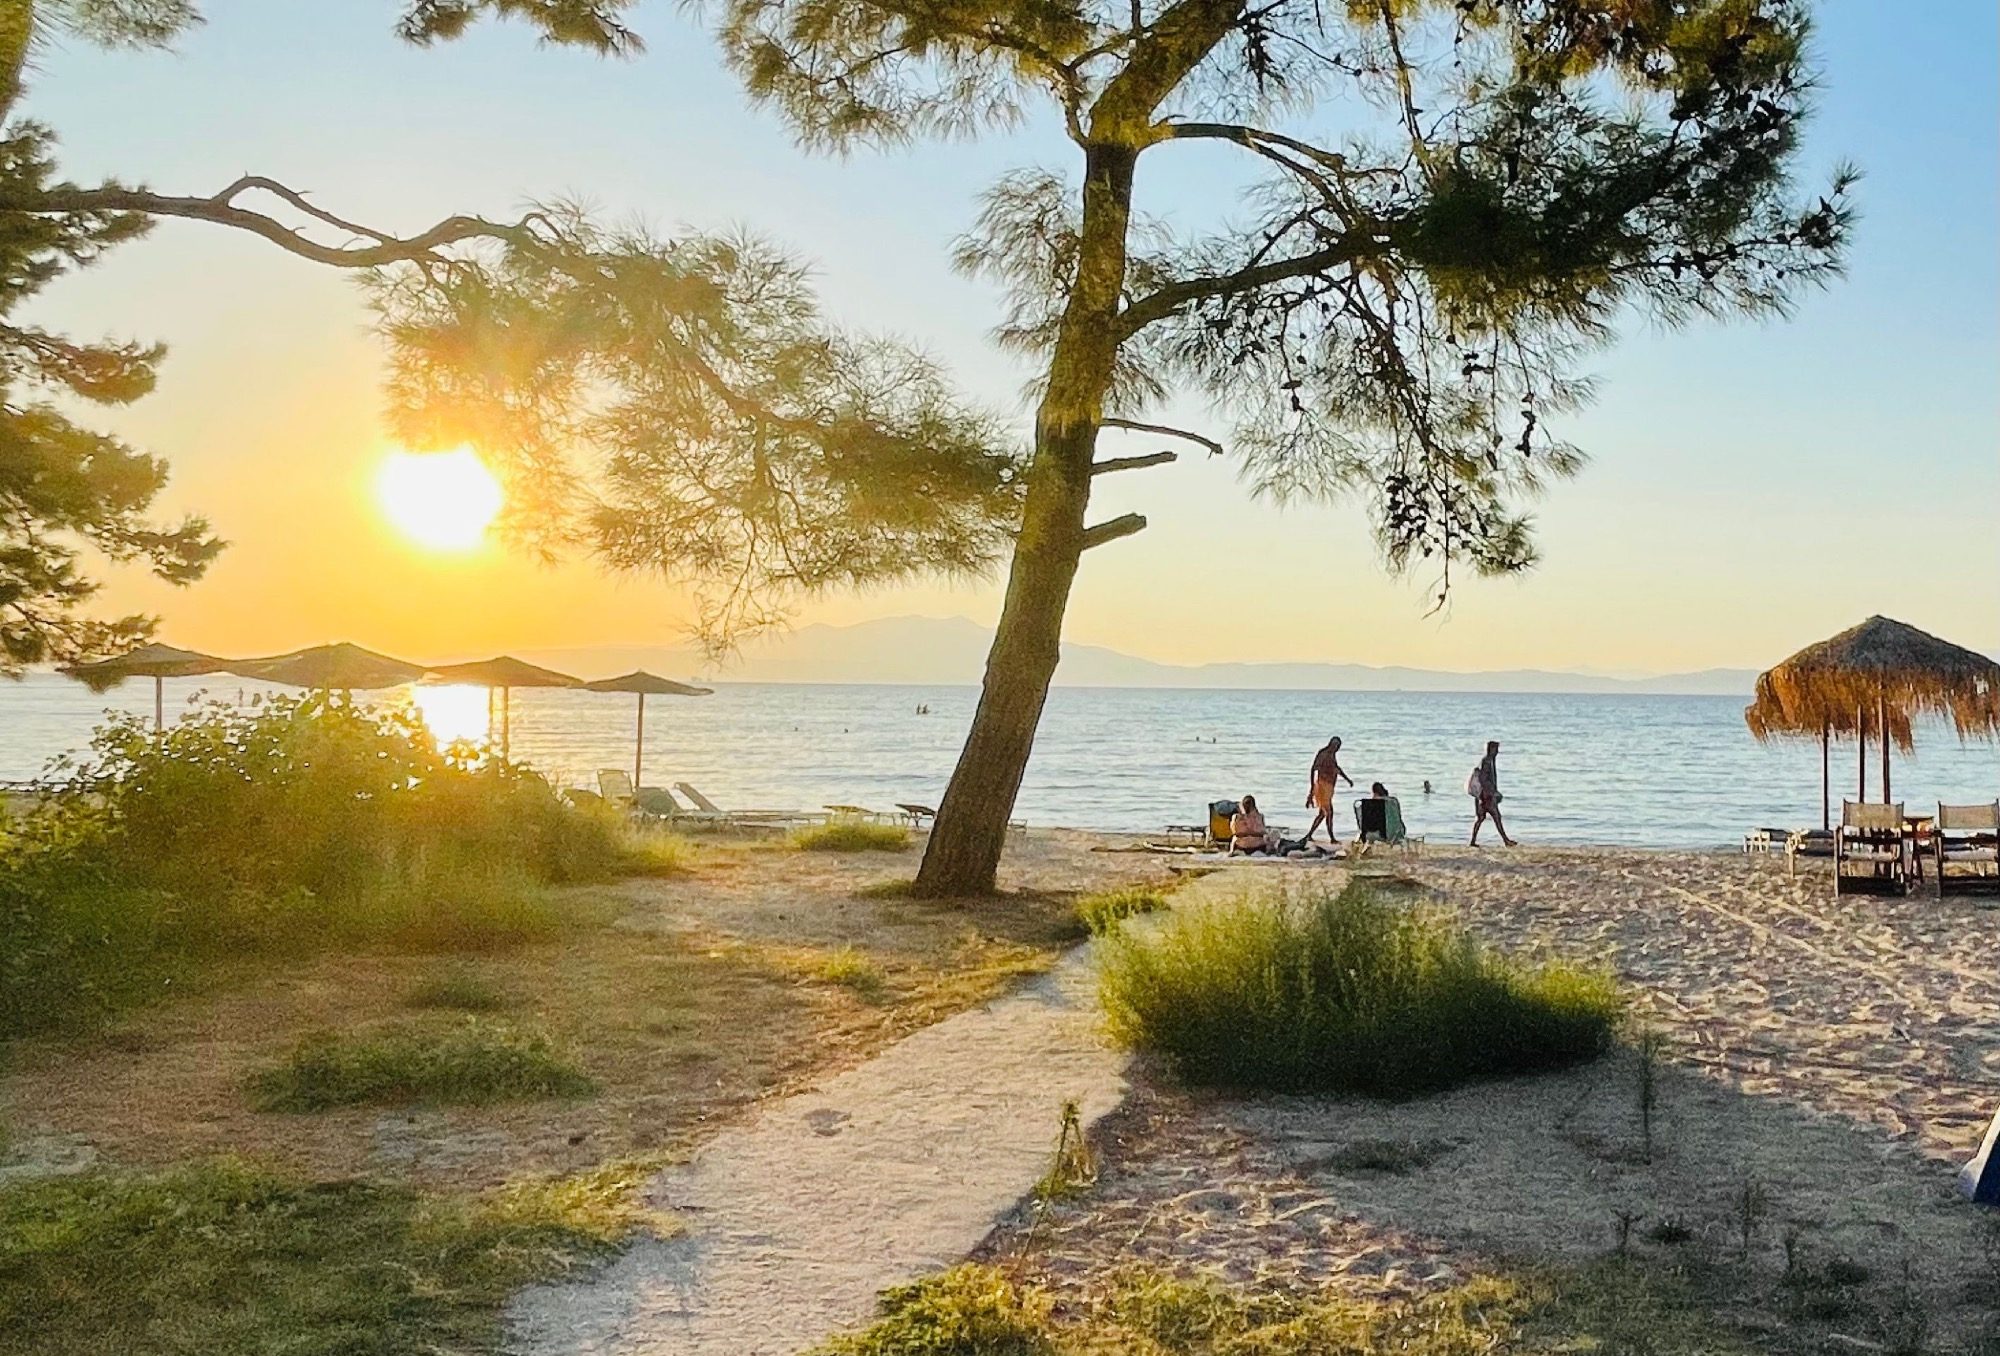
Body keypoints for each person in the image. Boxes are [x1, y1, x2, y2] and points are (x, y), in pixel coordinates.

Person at [1302, 736, 1353, 845]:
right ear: (1332, 745)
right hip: (1322, 786)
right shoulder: (1323, 754)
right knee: (1329, 812)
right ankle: (1332, 838)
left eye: (1338, 747)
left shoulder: (1332, 755)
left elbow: (1336, 768)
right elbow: (1313, 769)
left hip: (1329, 787)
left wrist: (1347, 779)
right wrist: (1311, 790)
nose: (1337, 749)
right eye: (1336, 747)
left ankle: (1309, 835)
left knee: (1322, 813)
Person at [1468, 740, 1517, 847]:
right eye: (1496, 749)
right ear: (1492, 750)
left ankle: (1473, 841)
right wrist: (1492, 793)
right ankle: (1506, 840)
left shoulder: (1488, 761)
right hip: (1487, 796)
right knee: (1496, 817)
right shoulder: (1487, 761)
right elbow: (1484, 779)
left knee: (1481, 818)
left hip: (1482, 796)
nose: (1497, 752)